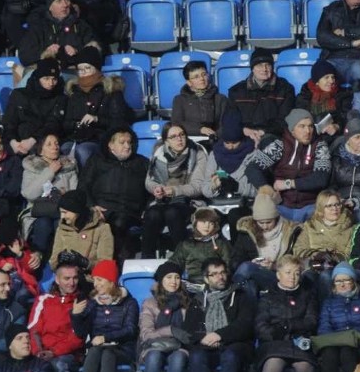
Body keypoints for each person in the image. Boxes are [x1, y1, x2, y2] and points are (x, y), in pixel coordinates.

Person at [179, 257, 254, 372]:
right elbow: (188, 329)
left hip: (234, 345)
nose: (220, 277)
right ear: (206, 279)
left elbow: (245, 325)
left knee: (230, 355)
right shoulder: (198, 300)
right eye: (214, 274)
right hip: (206, 344)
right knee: (196, 356)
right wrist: (203, 337)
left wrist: (219, 335)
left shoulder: (239, 296)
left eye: (223, 272)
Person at [244, 108, 331, 223]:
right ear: (292, 129)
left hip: (310, 206)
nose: (308, 131)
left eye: (310, 126)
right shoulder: (279, 146)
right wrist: (264, 187)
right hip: (282, 206)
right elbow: (252, 168)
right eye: (302, 126)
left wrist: (288, 184)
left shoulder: (319, 146)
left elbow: (321, 178)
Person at [71, 260, 139, 372]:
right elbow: (81, 333)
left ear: (110, 281)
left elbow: (131, 330)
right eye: (95, 280)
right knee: (96, 350)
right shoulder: (93, 302)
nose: (96, 284)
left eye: (100, 280)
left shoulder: (129, 303)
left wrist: (105, 338)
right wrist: (76, 316)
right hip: (98, 348)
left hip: (122, 349)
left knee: (108, 351)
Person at [254, 255, 318, 372]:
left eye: (297, 273)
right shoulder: (267, 297)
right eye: (288, 273)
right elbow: (261, 326)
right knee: (273, 362)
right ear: (278, 275)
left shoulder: (308, 296)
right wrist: (278, 331)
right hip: (274, 343)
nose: (293, 277)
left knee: (305, 366)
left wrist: (288, 325)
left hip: (300, 342)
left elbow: (311, 321)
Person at [79, 128, 148, 261]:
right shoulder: (97, 161)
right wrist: (92, 206)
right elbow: (83, 186)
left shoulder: (142, 163)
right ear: (111, 145)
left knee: (119, 224)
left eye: (129, 142)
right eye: (122, 142)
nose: (127, 146)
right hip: (101, 208)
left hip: (130, 211)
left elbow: (151, 188)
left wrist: (147, 208)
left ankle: (116, 266)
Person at [142, 122, 208, 259]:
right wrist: (156, 188)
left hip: (189, 201)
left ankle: (182, 257)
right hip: (162, 200)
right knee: (152, 214)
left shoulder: (198, 152)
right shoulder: (158, 153)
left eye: (182, 135)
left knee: (172, 212)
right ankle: (146, 258)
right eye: (173, 137)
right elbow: (149, 181)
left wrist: (174, 190)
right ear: (166, 140)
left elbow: (197, 186)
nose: (179, 139)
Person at [28, 258, 88, 372]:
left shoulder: (82, 302)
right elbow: (34, 329)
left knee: (58, 365)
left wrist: (53, 352)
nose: (71, 282)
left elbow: (78, 337)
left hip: (69, 355)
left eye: (74, 278)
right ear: (57, 279)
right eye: (66, 278)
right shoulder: (44, 300)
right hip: (42, 353)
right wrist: (39, 351)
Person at [63, 47, 132, 167]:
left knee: (83, 151)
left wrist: (97, 119)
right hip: (75, 138)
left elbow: (119, 122)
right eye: (80, 69)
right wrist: (76, 125)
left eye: (87, 68)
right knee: (63, 149)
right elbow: (65, 121)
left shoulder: (111, 90)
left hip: (100, 139)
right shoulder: (73, 92)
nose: (83, 72)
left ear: (96, 68)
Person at [139, 261, 191, 372]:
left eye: (177, 277)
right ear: (161, 280)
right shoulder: (150, 303)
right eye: (169, 277)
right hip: (154, 346)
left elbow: (189, 331)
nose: (173, 282)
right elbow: (146, 334)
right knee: (154, 356)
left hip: (180, 346)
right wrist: (171, 331)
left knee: (178, 358)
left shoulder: (187, 301)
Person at [21, 132, 79, 256]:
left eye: (57, 143)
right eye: (49, 144)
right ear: (41, 150)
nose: (55, 146)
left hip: (62, 211)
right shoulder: (31, 168)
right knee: (44, 223)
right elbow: (29, 194)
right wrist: (49, 172)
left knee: (60, 223)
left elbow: (75, 193)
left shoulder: (68, 166)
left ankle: (64, 258)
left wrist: (66, 195)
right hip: (38, 212)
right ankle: (37, 256)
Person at [18, 0, 100, 68]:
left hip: (74, 71)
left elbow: (96, 51)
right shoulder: (39, 27)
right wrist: (45, 53)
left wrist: (77, 51)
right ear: (50, 7)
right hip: (46, 72)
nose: (65, 5)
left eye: (67, 0)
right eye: (59, 1)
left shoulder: (81, 25)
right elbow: (24, 55)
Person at [293, 190, 354, 299]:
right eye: (329, 206)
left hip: (336, 267)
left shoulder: (350, 227)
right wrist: (316, 254)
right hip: (313, 265)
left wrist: (334, 258)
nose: (334, 209)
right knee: (305, 277)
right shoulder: (309, 226)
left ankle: (327, 309)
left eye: (337, 204)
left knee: (325, 276)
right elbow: (298, 248)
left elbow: (350, 252)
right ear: (321, 209)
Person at [228, 48, 296, 141]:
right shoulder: (236, 91)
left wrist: (263, 132)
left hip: (274, 136)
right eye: (259, 65)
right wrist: (244, 130)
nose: (264, 69)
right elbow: (230, 120)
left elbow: (285, 119)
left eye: (268, 65)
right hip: (244, 136)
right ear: (252, 68)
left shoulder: (285, 89)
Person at [5, 59, 67, 157]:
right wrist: (13, 142)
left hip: (44, 143)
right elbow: (9, 122)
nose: (51, 83)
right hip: (18, 142)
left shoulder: (60, 98)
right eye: (46, 78)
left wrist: (32, 140)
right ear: (38, 78)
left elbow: (53, 123)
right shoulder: (19, 95)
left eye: (54, 79)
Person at [201, 107, 258, 209]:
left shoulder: (253, 154)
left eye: (235, 143)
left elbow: (260, 190)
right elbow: (205, 188)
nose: (231, 146)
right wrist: (214, 186)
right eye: (227, 143)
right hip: (218, 204)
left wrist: (237, 187)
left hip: (245, 206)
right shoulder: (215, 154)